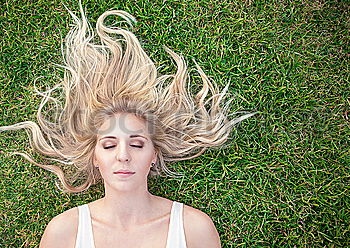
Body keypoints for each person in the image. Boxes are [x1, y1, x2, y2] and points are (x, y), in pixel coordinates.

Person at [1, 3, 254, 248]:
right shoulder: (64, 232)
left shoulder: (194, 229)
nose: (123, 156)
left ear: (153, 155)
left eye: (136, 143)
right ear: (95, 158)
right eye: (109, 145)